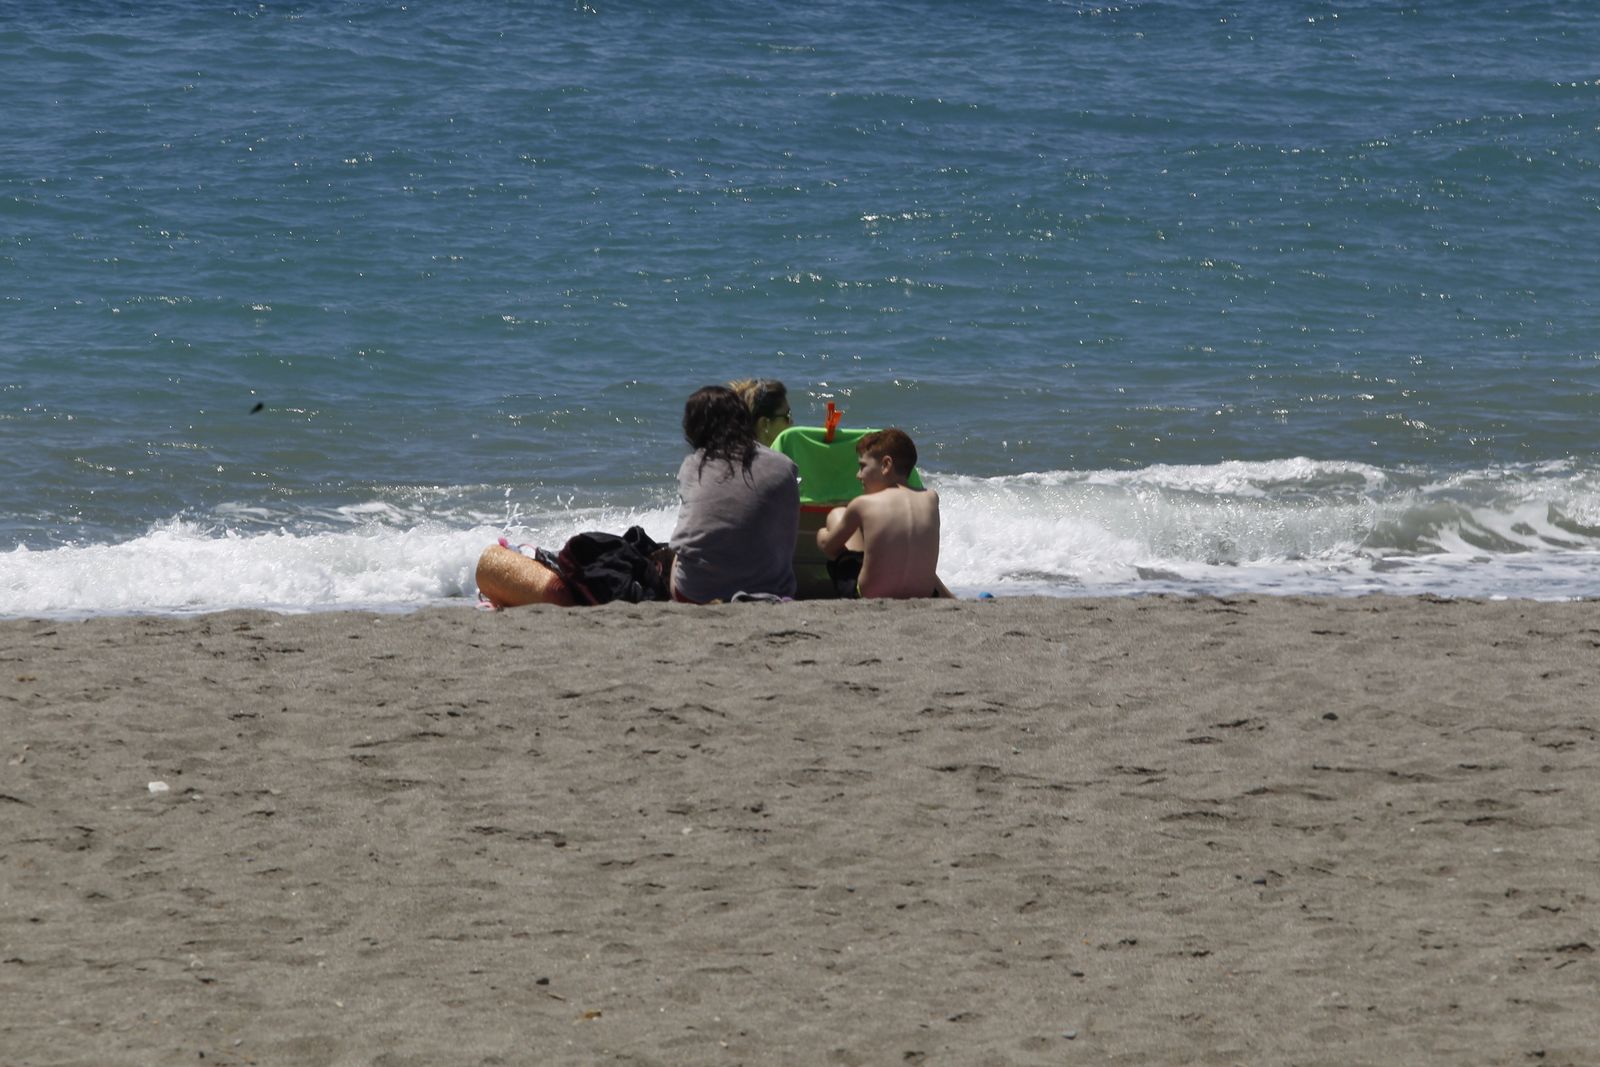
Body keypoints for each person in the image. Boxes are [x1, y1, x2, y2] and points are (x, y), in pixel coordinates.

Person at [669, 385, 800, 603]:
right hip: (773, 590)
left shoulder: (692, 465)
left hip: (696, 593)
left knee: (677, 556)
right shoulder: (784, 465)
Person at [815, 428, 952, 599]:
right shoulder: (931, 498)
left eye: (862, 467)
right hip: (924, 594)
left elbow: (829, 547)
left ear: (886, 465)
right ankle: (951, 598)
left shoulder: (862, 504)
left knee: (838, 514)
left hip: (869, 595)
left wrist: (821, 535)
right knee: (913, 558)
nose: (858, 475)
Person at [728, 378, 794, 447]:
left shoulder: (729, 450)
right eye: (788, 416)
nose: (791, 422)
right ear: (764, 423)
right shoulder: (777, 455)